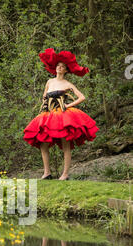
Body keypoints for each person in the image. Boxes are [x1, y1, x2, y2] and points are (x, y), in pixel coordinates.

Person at [23, 48, 99, 180]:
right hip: (48, 114)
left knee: (65, 143)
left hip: (62, 115)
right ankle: (47, 173)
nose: (59, 67)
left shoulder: (67, 84)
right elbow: (44, 97)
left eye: (62, 66)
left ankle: (65, 174)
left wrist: (68, 105)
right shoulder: (49, 82)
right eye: (58, 65)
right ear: (55, 68)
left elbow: (82, 97)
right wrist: (44, 107)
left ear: (66, 70)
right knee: (43, 143)